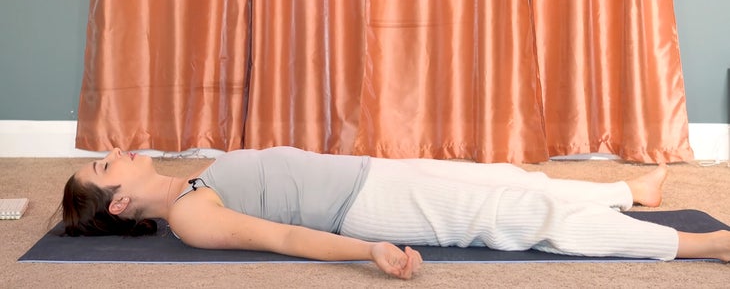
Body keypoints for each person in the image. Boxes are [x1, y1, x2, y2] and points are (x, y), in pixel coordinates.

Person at [61, 146, 730, 280]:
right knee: (518, 216)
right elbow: (287, 237)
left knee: (500, 177)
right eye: (103, 165)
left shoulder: (193, 179)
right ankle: (704, 248)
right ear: (119, 202)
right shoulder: (190, 217)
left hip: (374, 171)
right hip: (370, 203)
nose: (115, 151)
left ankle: (627, 195)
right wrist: (366, 249)